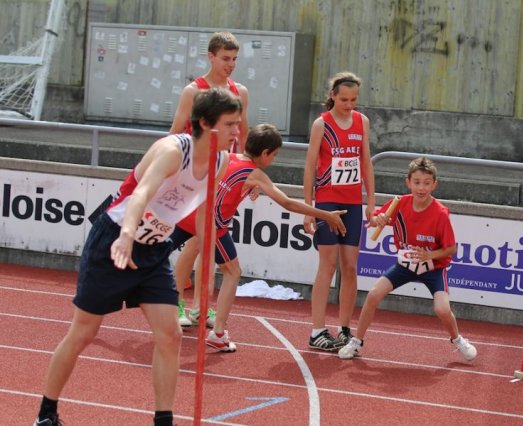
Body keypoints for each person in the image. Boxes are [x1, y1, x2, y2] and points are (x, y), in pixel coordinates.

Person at [33, 87, 242, 426]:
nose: (237, 132)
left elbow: (204, 209)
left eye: (238, 124)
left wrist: (211, 253)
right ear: (205, 123)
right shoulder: (173, 151)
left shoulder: (221, 161)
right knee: (83, 333)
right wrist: (127, 235)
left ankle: (163, 420)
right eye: (230, 124)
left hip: (154, 250)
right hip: (114, 239)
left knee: (171, 334)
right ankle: (46, 413)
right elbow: (142, 193)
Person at [170, 123, 347, 351]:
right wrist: (326, 215)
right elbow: (287, 203)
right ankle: (218, 333)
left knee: (154, 252)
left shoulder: (228, 157)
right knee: (233, 272)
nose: (274, 159)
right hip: (212, 226)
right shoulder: (254, 174)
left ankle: (149, 293)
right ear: (264, 153)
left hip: (190, 213)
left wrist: (243, 187)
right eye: (274, 155)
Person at [338, 157, 478, 362]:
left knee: (442, 309)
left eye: (427, 183)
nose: (421, 188)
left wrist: (429, 255)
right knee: (373, 294)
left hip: (433, 268)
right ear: (408, 182)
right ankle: (357, 342)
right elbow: (374, 219)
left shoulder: (440, 213)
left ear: (434, 184)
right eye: (417, 182)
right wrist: (377, 219)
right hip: (405, 265)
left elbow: (451, 248)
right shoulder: (399, 203)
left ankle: (457, 339)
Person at [170, 31, 251, 328]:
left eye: (235, 59)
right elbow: (175, 132)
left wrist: (247, 174)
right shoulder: (194, 91)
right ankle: (177, 303)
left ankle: (200, 307)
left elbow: (243, 135)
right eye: (225, 58)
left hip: (224, 177)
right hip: (195, 175)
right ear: (211, 56)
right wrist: (171, 171)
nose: (230, 64)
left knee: (208, 245)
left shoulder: (239, 92)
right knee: (195, 242)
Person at [303, 71, 376, 351]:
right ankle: (317, 331)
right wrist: (308, 208)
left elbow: (366, 163)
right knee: (328, 264)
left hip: (353, 203)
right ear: (333, 96)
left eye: (354, 99)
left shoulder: (362, 121)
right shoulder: (322, 124)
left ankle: (344, 329)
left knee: (350, 266)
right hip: (327, 202)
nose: (349, 104)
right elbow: (310, 166)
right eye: (344, 99)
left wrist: (371, 202)